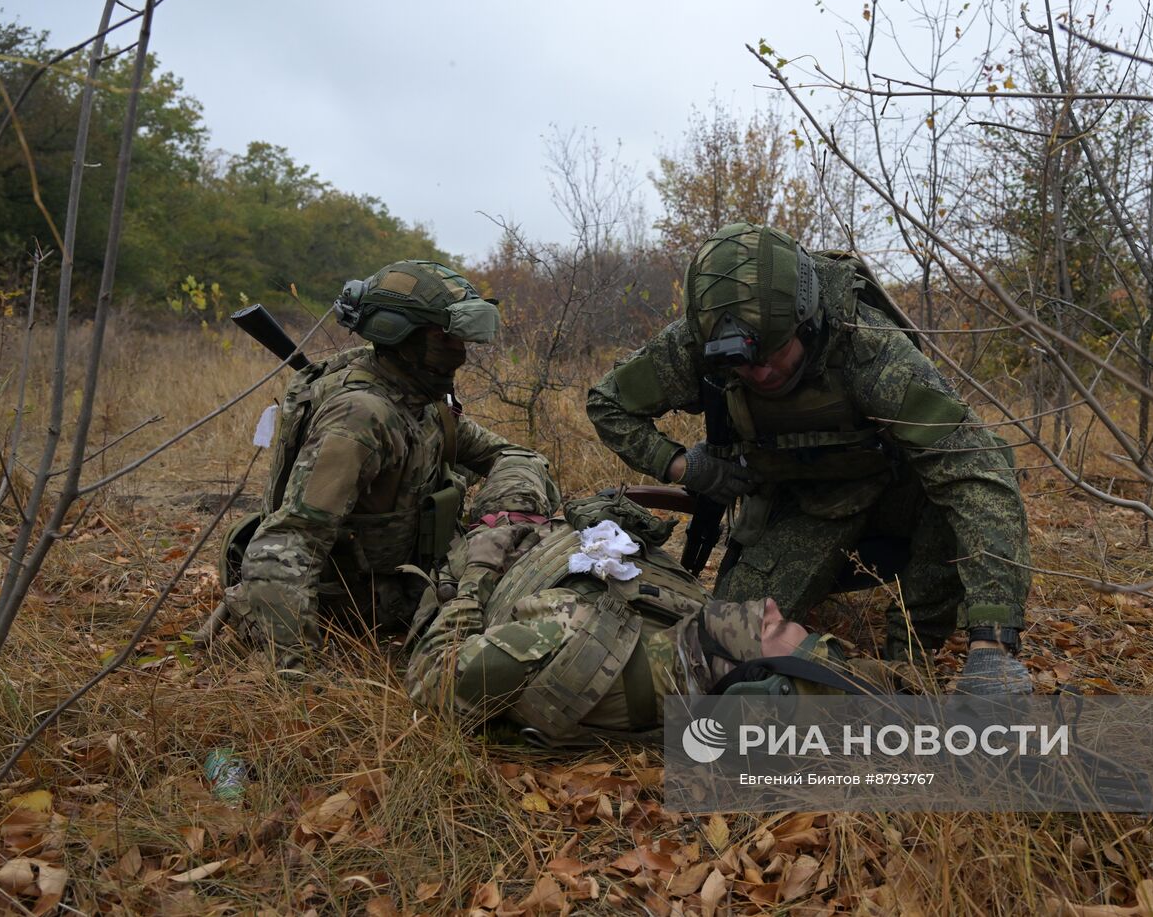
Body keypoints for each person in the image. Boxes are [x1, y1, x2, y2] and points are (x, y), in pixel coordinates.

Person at [586, 223, 1032, 695]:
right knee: (723, 644)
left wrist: (993, 642)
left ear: (807, 321)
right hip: (803, 504)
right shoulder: (700, 339)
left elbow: (976, 470)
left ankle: (910, 652)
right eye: (739, 362)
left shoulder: (869, 347)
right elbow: (609, 404)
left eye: (772, 352)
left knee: (949, 490)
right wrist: (684, 466)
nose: (757, 372)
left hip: (893, 497)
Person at [219, 259, 557, 671]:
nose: (461, 355)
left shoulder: (418, 398)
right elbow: (284, 546)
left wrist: (502, 518)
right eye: (443, 339)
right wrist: (296, 674)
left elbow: (514, 456)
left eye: (459, 339)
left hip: (411, 580)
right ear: (400, 336)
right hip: (357, 606)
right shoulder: (361, 417)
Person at [403, 491, 890, 744]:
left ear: (750, 680)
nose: (768, 608)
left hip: (497, 546)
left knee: (515, 468)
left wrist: (476, 573)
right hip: (546, 535)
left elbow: (433, 683)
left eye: (771, 629)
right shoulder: (689, 650)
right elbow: (871, 685)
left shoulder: (572, 644)